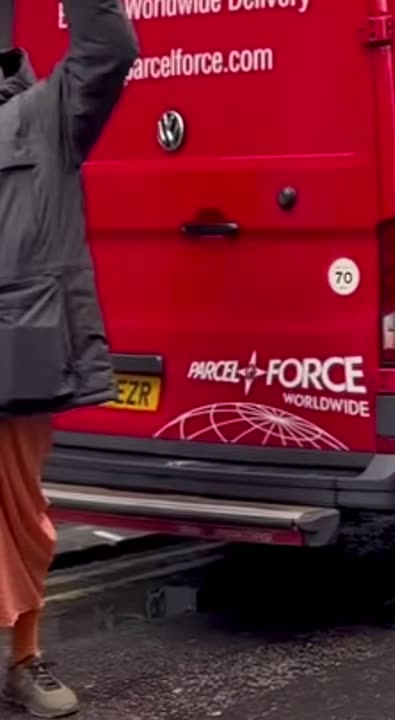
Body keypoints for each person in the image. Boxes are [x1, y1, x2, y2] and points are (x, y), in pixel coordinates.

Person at [0, 0, 138, 716]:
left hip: (15, 353)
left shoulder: (43, 114)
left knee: (21, 518)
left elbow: (108, 48)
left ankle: (23, 663)